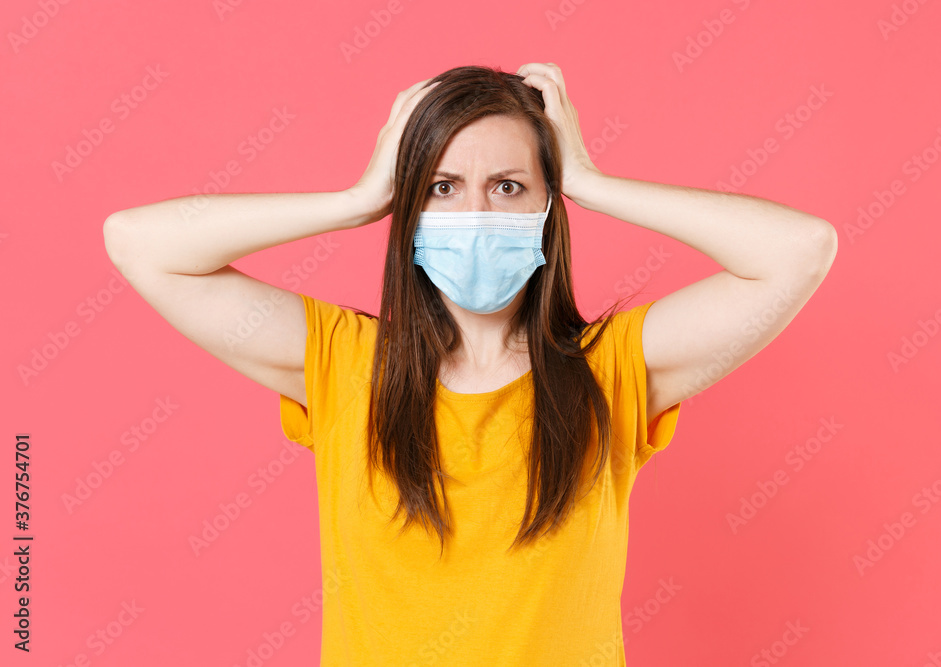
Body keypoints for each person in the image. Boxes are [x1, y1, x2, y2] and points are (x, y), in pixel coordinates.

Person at [102, 62, 837, 665]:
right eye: (443, 188)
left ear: (549, 206)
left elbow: (798, 252)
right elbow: (141, 243)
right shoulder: (342, 361)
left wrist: (590, 180)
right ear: (409, 208)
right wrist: (356, 200)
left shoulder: (611, 369)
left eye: (509, 186)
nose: (475, 211)